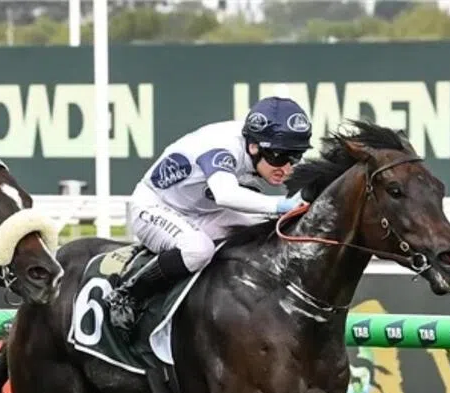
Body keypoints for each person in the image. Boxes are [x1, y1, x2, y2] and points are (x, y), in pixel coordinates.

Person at [104, 96, 314, 332]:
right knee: (198, 250)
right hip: (154, 206)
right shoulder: (223, 145)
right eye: (279, 157)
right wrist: (281, 205)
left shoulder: (256, 144)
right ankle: (129, 294)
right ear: (254, 146)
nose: (287, 168)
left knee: (270, 228)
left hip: (202, 210)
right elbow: (225, 194)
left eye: (295, 156)